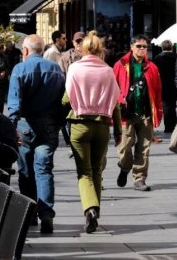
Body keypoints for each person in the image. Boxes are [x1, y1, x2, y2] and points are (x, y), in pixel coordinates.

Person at [61, 31, 121, 234]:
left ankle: (90, 209)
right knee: (97, 170)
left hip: (79, 124)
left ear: (84, 48)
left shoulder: (75, 68)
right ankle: (96, 210)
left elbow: (66, 98)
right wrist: (119, 130)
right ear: (100, 49)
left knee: (84, 172)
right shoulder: (108, 70)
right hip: (103, 125)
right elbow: (115, 101)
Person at [7, 34, 65, 234]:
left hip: (25, 125)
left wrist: (10, 127)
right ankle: (46, 213)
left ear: (25, 50)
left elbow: (14, 103)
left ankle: (30, 212)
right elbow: (62, 102)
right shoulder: (56, 70)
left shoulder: (19, 69)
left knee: (26, 171)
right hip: (49, 125)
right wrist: (61, 126)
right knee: (44, 170)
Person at [113, 35, 162, 192]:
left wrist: (158, 112)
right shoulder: (120, 65)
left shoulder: (152, 67)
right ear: (132, 47)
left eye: (144, 47)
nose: (142, 49)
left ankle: (139, 179)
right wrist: (119, 103)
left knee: (144, 148)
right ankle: (125, 167)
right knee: (125, 148)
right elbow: (113, 87)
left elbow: (157, 91)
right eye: (139, 46)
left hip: (145, 113)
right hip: (126, 113)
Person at [152, 40, 177, 133]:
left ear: (161, 47)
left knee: (166, 105)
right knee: (173, 104)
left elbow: (154, 73)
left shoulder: (157, 58)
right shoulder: (176, 57)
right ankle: (174, 124)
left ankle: (168, 126)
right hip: (174, 84)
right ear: (172, 46)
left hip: (162, 84)